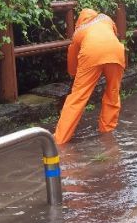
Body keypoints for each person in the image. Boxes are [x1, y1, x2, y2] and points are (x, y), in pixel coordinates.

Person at [54, 8, 126, 145]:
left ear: (80, 20)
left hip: (91, 55)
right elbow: (113, 35)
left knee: (77, 97)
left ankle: (60, 139)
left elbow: (72, 59)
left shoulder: (79, 32)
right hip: (116, 53)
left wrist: (74, 75)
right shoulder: (106, 18)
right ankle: (107, 131)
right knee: (113, 91)